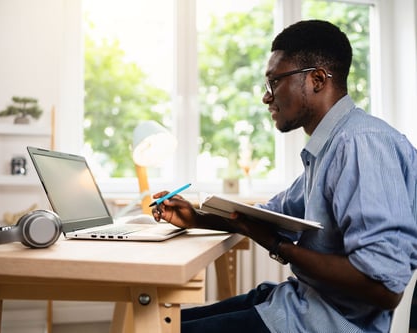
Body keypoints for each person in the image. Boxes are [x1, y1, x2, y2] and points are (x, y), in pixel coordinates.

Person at [152, 20, 417, 333]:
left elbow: (383, 289)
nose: (267, 97)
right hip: (301, 303)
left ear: (317, 79)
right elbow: (271, 215)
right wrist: (197, 217)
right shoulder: (330, 147)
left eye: (274, 82)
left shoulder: (361, 143)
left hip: (321, 323)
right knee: (158, 325)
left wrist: (275, 245)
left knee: (156, 328)